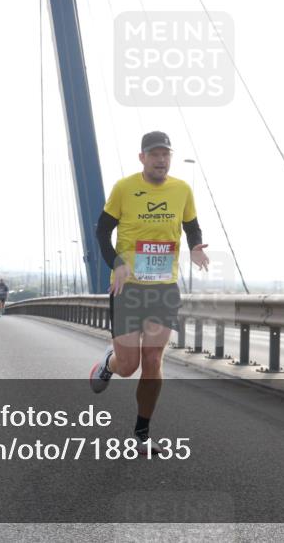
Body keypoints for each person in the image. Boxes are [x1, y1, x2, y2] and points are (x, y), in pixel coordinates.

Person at [89, 131, 209, 451]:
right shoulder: (124, 188)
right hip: (128, 288)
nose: (161, 159)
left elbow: (191, 224)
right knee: (129, 367)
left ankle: (142, 434)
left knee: (154, 359)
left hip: (163, 288)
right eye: (154, 154)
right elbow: (102, 230)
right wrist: (116, 263)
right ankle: (108, 363)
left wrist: (196, 246)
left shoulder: (182, 190)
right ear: (142, 158)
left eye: (165, 154)